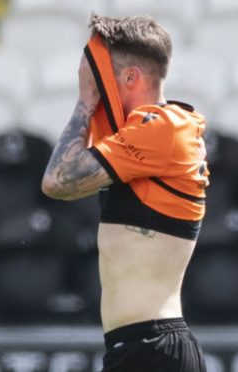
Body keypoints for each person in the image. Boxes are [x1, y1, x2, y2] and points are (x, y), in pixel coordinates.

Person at [42, 14, 209, 372]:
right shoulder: (150, 133)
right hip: (140, 348)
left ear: (130, 77)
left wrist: (86, 101)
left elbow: (57, 180)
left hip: (153, 348)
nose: (95, 88)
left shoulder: (161, 129)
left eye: (100, 79)